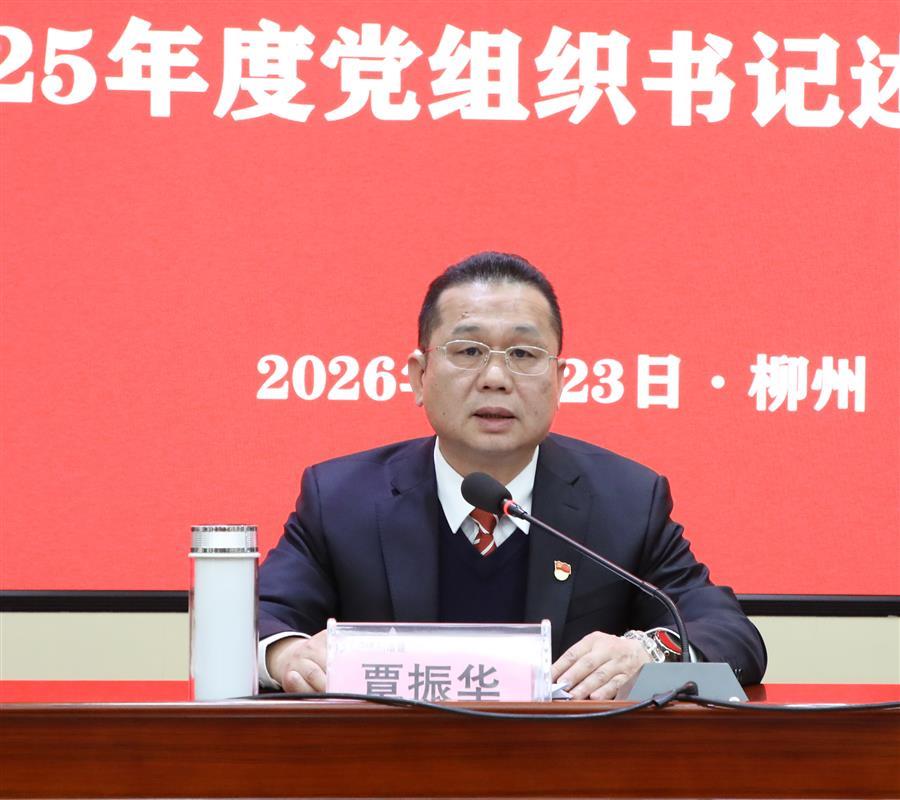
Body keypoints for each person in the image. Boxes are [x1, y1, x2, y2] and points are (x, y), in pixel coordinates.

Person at [258, 252, 766, 699]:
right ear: (418, 376)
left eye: (523, 355)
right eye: (468, 351)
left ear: (560, 380)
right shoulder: (341, 499)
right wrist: (286, 655)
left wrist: (648, 652)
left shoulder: (627, 501)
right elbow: (258, 618)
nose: (496, 378)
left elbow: (729, 633)